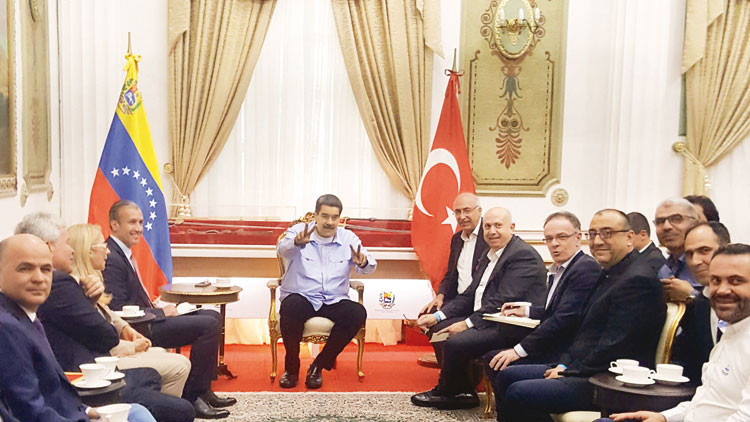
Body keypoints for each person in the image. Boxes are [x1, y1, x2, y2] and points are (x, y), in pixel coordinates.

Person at [15, 215, 195, 421]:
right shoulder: (58, 285)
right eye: (23, 269)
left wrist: (91, 302)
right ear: (48, 248)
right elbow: (105, 335)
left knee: (151, 379)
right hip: (85, 381)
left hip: (83, 382)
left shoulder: (58, 287)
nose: (71, 250)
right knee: (179, 408)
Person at [494, 209, 666, 421]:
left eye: (607, 233)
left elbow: (614, 344)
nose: (598, 241)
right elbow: (584, 332)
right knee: (506, 376)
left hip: (611, 380)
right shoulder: (611, 272)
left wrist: (569, 371)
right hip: (587, 368)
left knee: (519, 393)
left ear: (629, 237)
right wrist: (564, 364)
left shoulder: (637, 279)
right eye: (592, 234)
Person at [0, 233, 155, 422]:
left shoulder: (26, 316)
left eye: (46, 269)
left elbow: (52, 393)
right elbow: (28, 412)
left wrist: (89, 412)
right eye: (25, 269)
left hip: (75, 411)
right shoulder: (6, 327)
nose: (39, 278)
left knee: (137, 411)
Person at [101, 200, 234, 419]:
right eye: (132, 222)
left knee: (212, 315)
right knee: (208, 324)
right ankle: (193, 396)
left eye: (141, 222)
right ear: (114, 225)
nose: (139, 228)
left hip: (148, 317)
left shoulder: (123, 253)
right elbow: (118, 309)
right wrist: (161, 313)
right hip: (140, 328)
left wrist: (156, 306)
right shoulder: (111, 258)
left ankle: (204, 391)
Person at [411, 207, 547, 410]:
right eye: (488, 226)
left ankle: (450, 392)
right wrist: (438, 316)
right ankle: (464, 390)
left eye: (498, 226)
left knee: (456, 342)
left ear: (512, 227)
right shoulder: (489, 254)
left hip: (510, 326)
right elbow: (469, 295)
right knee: (438, 328)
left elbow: (502, 301)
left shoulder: (522, 256)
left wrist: (466, 324)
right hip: (488, 318)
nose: (492, 231)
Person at [599, 243, 750, 422]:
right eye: (716, 281)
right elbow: (706, 403)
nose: (722, 290)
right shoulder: (731, 334)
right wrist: (664, 417)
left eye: (736, 281)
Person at [484, 212, 600, 414]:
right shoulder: (560, 269)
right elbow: (556, 309)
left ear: (578, 237)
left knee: (501, 366)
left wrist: (518, 350)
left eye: (561, 237)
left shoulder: (585, 268)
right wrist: (527, 310)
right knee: (493, 359)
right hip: (552, 345)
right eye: (549, 238)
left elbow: (563, 319)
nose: (554, 244)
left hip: (563, 352)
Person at [276, 194, 375, 389]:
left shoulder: (348, 238)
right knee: (290, 306)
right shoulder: (299, 231)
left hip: (333, 299)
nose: (329, 222)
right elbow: (282, 250)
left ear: (340, 218)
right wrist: (296, 243)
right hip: (303, 296)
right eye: (325, 216)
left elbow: (369, 264)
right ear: (315, 215)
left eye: (334, 217)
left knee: (357, 312)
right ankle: (291, 369)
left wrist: (363, 262)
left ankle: (318, 366)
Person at [418, 192, 488, 365]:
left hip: (479, 303)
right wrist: (440, 295)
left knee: (439, 326)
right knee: (427, 315)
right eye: (457, 212)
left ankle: (458, 372)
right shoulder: (457, 239)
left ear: (479, 211)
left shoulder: (489, 237)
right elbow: (451, 274)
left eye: (467, 210)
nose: (462, 217)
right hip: (458, 300)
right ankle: (446, 367)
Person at [670, 222, 730, 384]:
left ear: (726, 250)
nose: (695, 261)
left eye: (704, 251)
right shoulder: (699, 305)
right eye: (689, 254)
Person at [655, 198, 700, 302]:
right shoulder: (664, 271)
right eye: (660, 221)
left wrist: (691, 295)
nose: (666, 227)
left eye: (676, 219)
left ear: (695, 224)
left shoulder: (707, 264)